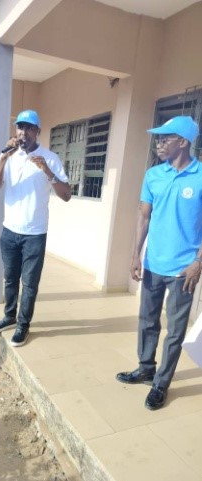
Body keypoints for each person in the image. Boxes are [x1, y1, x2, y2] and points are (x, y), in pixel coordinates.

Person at [116, 116, 202, 410]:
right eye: (158, 138)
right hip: (153, 264)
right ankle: (145, 368)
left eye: (166, 138)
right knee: (147, 321)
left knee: (175, 331)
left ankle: (161, 383)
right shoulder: (154, 175)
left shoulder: (201, 175)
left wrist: (198, 262)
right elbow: (144, 216)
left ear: (183, 142)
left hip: (184, 271)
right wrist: (135, 255)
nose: (159, 142)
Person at [0, 109, 71, 347]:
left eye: (28, 128)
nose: (23, 133)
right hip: (9, 231)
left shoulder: (50, 158)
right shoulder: (9, 156)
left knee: (30, 284)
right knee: (10, 279)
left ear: (37, 131)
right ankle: (9, 317)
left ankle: (23, 326)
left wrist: (47, 171)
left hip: (35, 233)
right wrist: (4, 157)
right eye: (19, 128)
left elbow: (66, 196)